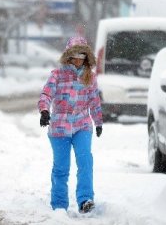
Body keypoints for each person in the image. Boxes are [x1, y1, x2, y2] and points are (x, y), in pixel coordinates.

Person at [37, 36, 103, 214]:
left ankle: (85, 199)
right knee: (61, 167)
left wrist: (98, 122)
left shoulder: (90, 77)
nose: (79, 58)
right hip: (59, 127)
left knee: (85, 161)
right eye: (75, 54)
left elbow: (94, 101)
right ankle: (59, 205)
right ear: (68, 55)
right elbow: (46, 94)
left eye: (83, 55)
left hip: (82, 125)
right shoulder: (57, 75)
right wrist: (44, 110)